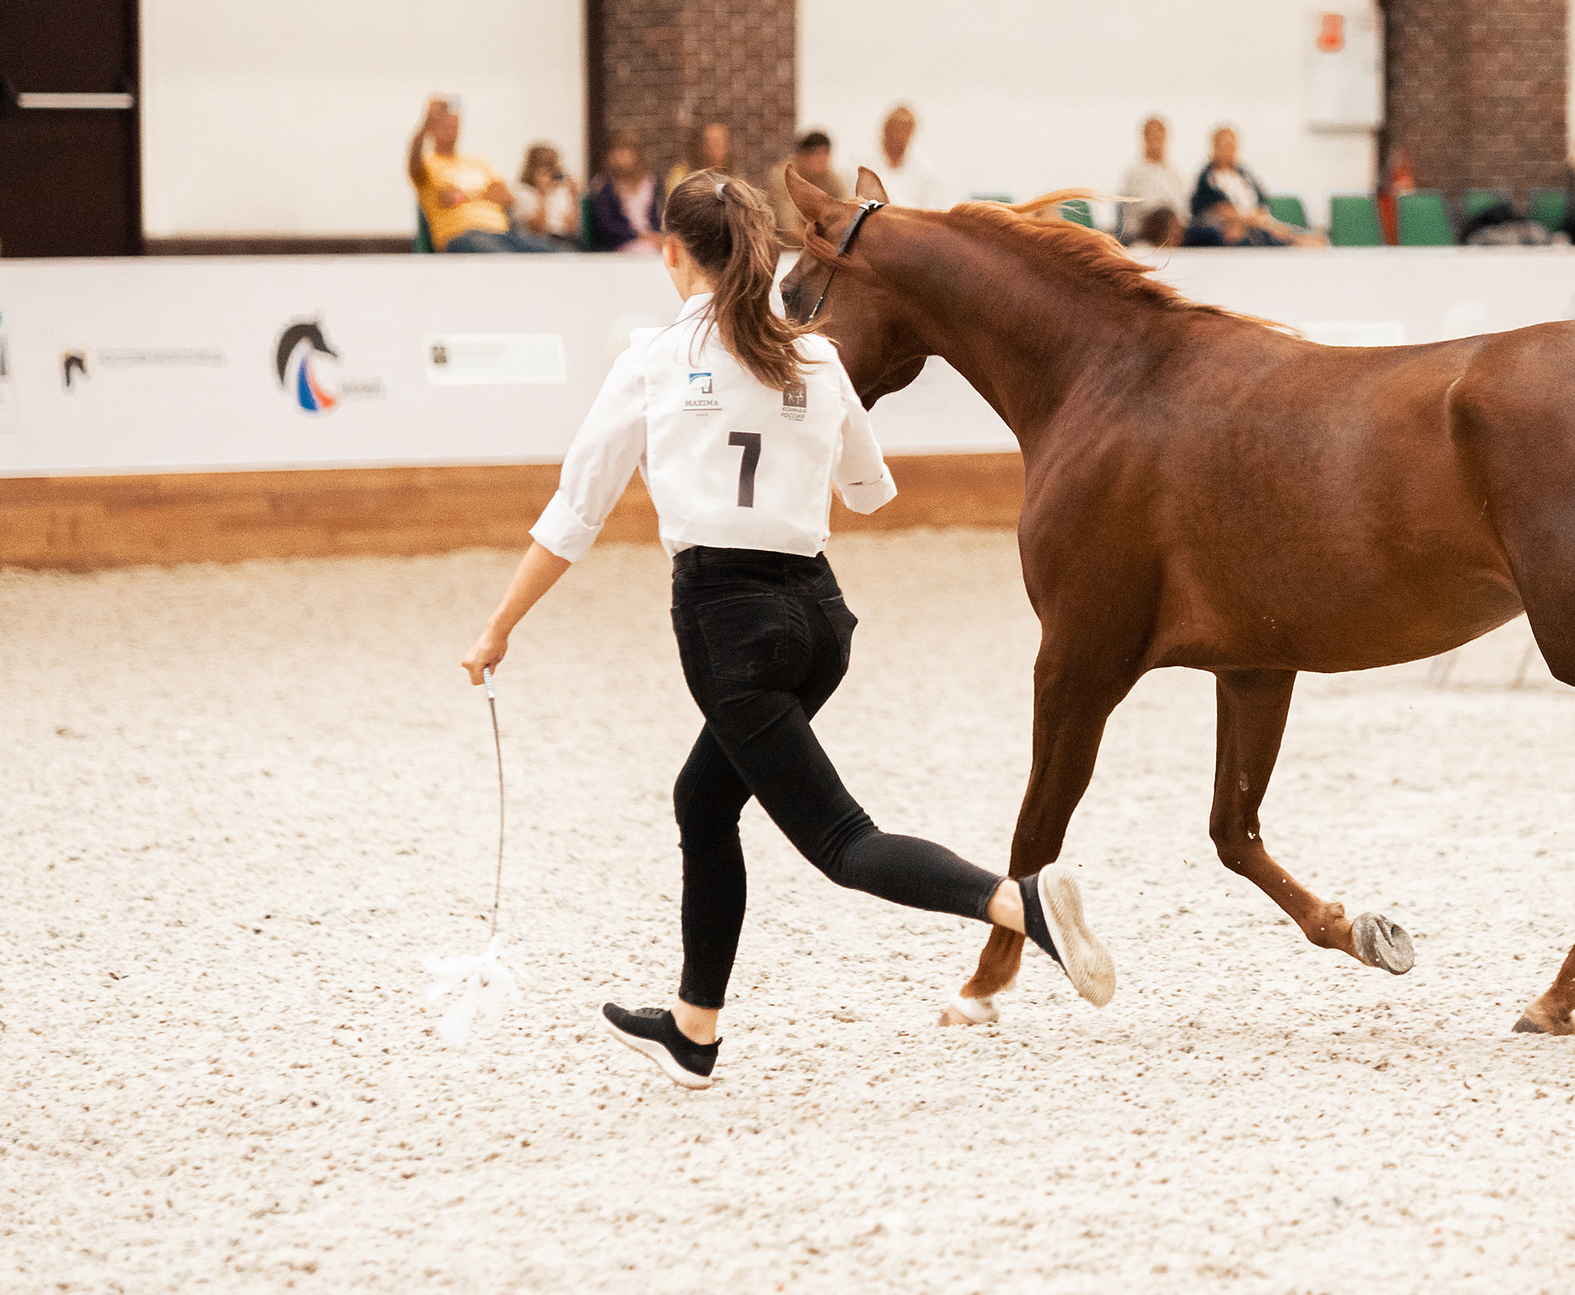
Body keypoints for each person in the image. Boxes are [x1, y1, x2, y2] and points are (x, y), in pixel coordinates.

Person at [458, 171, 1117, 1090]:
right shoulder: (816, 359)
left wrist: (497, 628)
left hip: (726, 622)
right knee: (703, 801)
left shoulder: (653, 360)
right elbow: (869, 492)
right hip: (818, 620)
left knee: (843, 844)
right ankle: (694, 1027)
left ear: (671, 251)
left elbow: (575, 513)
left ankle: (1016, 902)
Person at [409, 97, 571, 253]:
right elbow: (414, 161)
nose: (451, 131)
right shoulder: (428, 163)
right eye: (444, 126)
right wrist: (426, 122)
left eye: (454, 125)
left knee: (559, 253)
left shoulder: (478, 162)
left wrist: (463, 196)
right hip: (461, 235)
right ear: (432, 129)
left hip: (503, 232)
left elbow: (506, 196)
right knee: (505, 260)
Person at [1187, 126, 1316, 243]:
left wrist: (1258, 218)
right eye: (1224, 145)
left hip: (1255, 220)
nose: (1228, 150)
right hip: (1231, 222)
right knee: (1245, 233)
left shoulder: (1244, 174)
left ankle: (1297, 238)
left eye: (1232, 146)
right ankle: (1294, 239)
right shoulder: (1208, 176)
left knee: (1274, 230)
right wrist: (1248, 219)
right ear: (1214, 147)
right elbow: (1214, 208)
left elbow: (1261, 203)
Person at [586, 130, 662, 256]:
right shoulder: (603, 185)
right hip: (620, 244)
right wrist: (638, 236)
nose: (619, 156)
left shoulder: (650, 182)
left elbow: (656, 217)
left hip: (650, 239)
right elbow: (606, 225)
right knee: (646, 252)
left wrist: (657, 236)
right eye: (615, 151)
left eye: (624, 151)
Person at [769, 131, 849, 243]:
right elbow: (789, 228)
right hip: (784, 246)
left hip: (818, 243)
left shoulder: (832, 178)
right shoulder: (783, 177)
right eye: (816, 154)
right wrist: (825, 244)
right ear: (800, 156)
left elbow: (847, 212)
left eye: (825, 153)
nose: (822, 159)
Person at [1117, 116, 1188, 241]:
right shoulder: (1135, 172)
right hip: (1146, 228)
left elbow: (1183, 206)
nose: (1156, 141)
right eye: (1151, 136)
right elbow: (1144, 207)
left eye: (1159, 137)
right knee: (1163, 219)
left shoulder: (1174, 172)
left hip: (1175, 227)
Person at [872, 106, 944, 212]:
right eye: (896, 130)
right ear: (886, 132)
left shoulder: (924, 169)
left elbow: (932, 208)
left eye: (905, 131)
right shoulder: (867, 165)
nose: (900, 136)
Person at [512, 143, 581, 244]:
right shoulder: (523, 193)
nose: (551, 175)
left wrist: (573, 196)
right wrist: (542, 194)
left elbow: (572, 230)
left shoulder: (558, 193)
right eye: (547, 171)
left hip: (563, 241)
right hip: (538, 242)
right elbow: (539, 228)